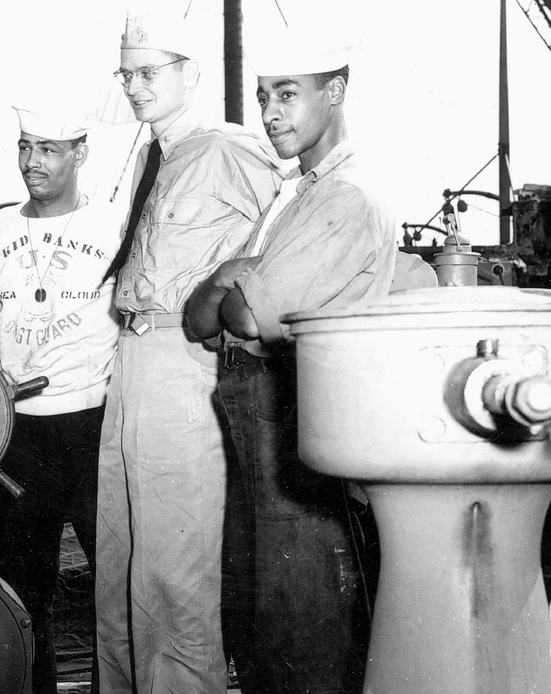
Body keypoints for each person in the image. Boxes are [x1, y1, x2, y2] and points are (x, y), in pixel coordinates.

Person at [186, 20, 398, 693]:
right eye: (262, 97)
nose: (270, 114)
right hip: (263, 415)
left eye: (287, 95)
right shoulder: (293, 194)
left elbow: (244, 315)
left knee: (301, 612)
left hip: (299, 416)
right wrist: (230, 272)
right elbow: (199, 321)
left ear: (334, 92)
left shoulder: (346, 197)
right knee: (263, 611)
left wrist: (228, 282)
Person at [95, 9, 282, 693]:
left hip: (182, 357)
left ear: (188, 75)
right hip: (132, 359)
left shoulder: (226, 150)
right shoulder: (158, 155)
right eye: (128, 75)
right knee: (120, 561)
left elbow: (275, 242)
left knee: (174, 568)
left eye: (149, 73)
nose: (136, 87)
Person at [0, 104, 120, 694]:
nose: (32, 162)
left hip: (95, 422)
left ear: (80, 153)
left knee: (113, 583)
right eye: (24, 146)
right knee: (21, 588)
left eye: (49, 149)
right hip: (20, 433)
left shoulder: (114, 227)